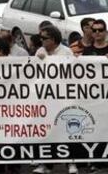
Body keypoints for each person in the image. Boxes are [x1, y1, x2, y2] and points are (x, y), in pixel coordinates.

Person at [34, 25, 77, 174]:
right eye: (40, 38)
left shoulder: (67, 52)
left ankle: (71, 163)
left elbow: (72, 74)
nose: (41, 40)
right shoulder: (40, 51)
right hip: (45, 98)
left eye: (44, 38)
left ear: (53, 39)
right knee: (45, 132)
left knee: (67, 131)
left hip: (63, 97)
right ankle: (45, 164)